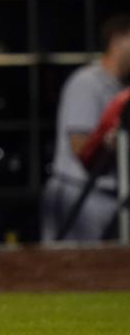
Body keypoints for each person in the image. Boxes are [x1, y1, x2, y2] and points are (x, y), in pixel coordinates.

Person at [42, 15, 130, 241]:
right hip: (79, 196)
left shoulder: (121, 88)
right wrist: (112, 139)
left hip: (112, 196)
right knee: (70, 271)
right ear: (118, 39)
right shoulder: (87, 82)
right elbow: (81, 148)